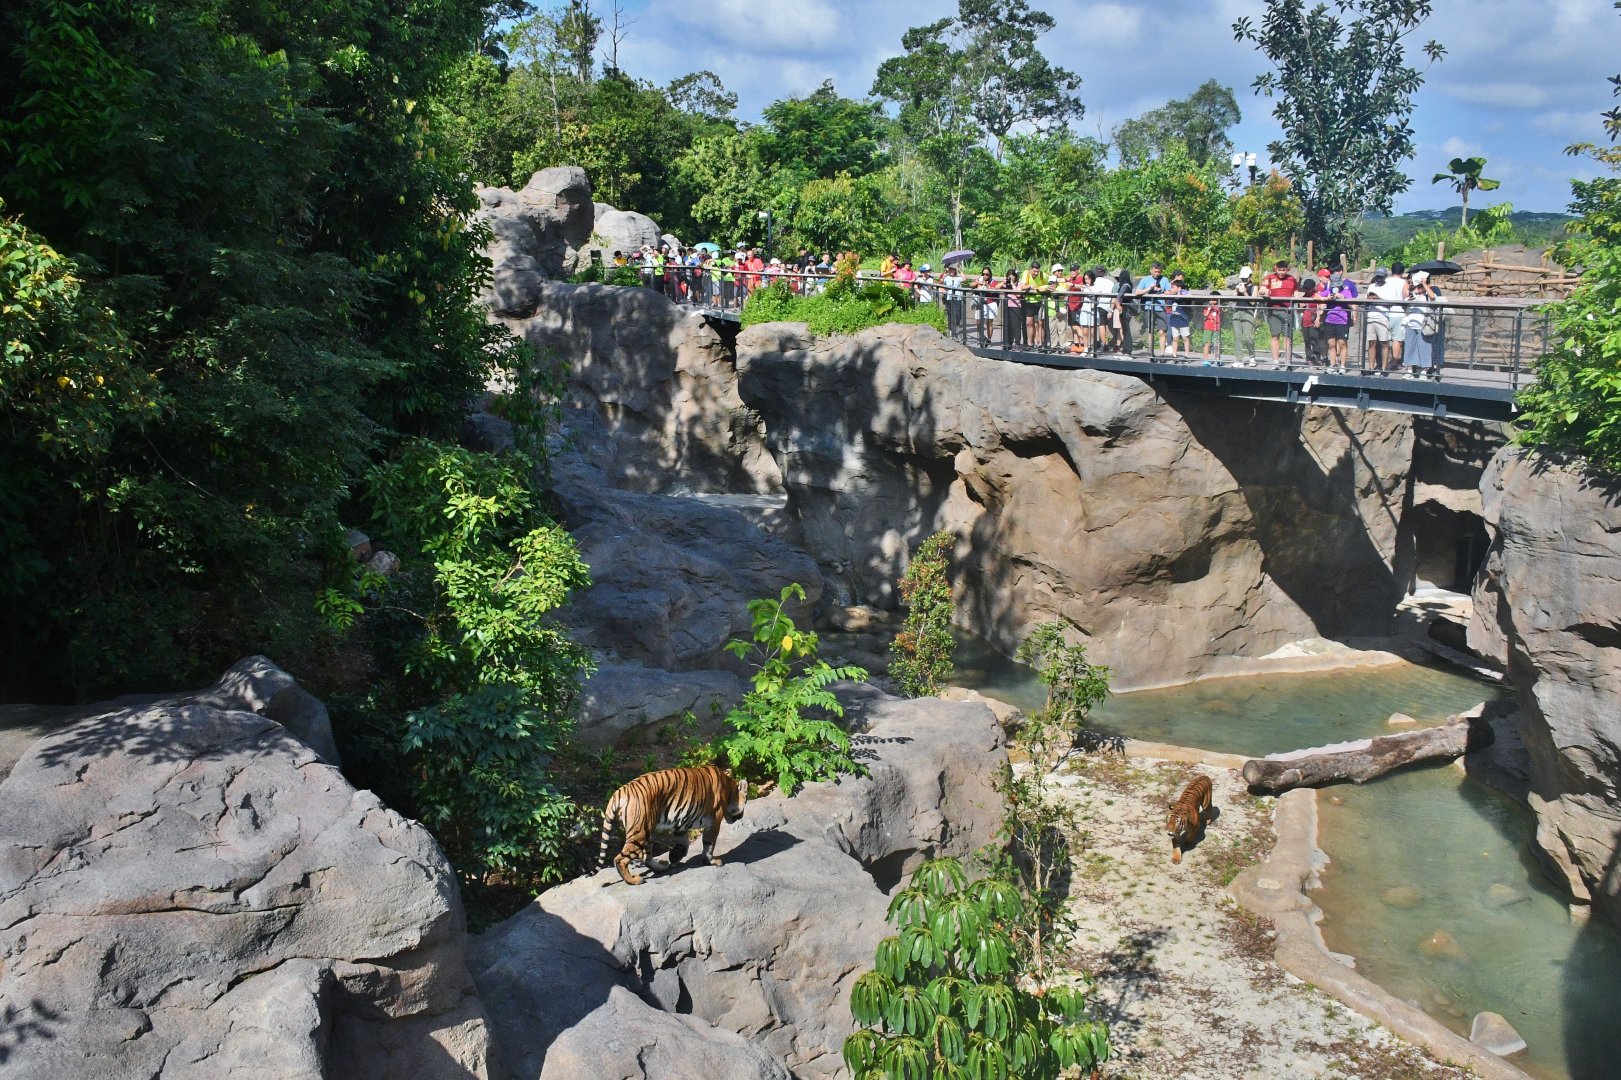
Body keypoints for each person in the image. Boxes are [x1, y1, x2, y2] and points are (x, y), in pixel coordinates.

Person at [1402, 270, 1443, 379]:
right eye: (1417, 286)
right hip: (1411, 325)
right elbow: (1404, 304)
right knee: (1409, 348)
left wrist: (1424, 284)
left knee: (1425, 348)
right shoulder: (1412, 295)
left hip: (1423, 326)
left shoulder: (1428, 296)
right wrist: (1409, 288)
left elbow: (1433, 298)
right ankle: (1409, 370)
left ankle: (1424, 371)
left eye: (1420, 286)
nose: (1418, 288)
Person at [1366, 266, 1407, 373]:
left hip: (1383, 317)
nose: (1379, 279)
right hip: (1371, 316)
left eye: (1381, 277)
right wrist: (1370, 298)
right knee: (1372, 342)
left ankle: (1384, 368)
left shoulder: (1389, 287)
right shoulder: (1371, 286)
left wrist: (1378, 298)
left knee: (1384, 343)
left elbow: (1390, 303)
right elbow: (1367, 300)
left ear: (1385, 277)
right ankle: (1371, 367)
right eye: (1377, 277)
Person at [1262, 259, 1298, 365]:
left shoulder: (1292, 279)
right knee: (1275, 335)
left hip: (1287, 311)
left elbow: (1295, 291)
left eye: (1283, 270)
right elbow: (1261, 289)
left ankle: (1287, 361)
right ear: (1276, 269)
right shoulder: (1269, 278)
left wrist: (1296, 296)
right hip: (1273, 310)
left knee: (1287, 336)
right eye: (1279, 270)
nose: (1281, 272)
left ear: (1287, 270)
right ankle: (1275, 361)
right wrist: (1266, 291)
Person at [1322, 266, 1357, 371]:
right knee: (1331, 344)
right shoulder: (1329, 290)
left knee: (1342, 343)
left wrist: (1343, 299)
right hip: (1329, 320)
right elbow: (1316, 296)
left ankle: (1342, 365)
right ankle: (1332, 364)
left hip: (1342, 320)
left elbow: (1353, 304)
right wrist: (1326, 298)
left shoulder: (1346, 291)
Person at [1136, 262, 1170, 354]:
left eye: (1159, 272)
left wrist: (1162, 292)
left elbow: (1170, 292)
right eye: (1155, 271)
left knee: (1162, 332)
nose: (1157, 274)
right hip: (1149, 307)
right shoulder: (1145, 279)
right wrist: (1148, 289)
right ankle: (1151, 353)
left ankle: (1162, 354)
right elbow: (1137, 292)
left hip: (1161, 308)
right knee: (1150, 331)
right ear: (1151, 270)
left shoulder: (1165, 280)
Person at [1230, 265, 1259, 364]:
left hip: (1248, 312)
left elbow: (1253, 302)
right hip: (1237, 312)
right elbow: (1234, 300)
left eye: (1245, 278)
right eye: (1242, 278)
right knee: (1237, 337)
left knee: (1248, 337)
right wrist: (1237, 292)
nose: (1244, 280)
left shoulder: (1254, 287)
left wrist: (1245, 293)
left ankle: (1252, 357)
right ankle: (1239, 359)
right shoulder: (1238, 286)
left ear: (1250, 277)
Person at [1298, 277, 1325, 365]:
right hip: (1305, 321)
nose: (1307, 291)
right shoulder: (1303, 297)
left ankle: (1317, 357)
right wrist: (1301, 305)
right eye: (1306, 289)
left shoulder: (1316, 296)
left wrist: (1318, 319)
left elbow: (1321, 307)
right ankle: (1308, 358)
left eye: (1309, 289)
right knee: (1307, 340)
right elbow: (1299, 309)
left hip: (1313, 320)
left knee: (1314, 339)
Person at [1166, 270, 1192, 358]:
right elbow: (1169, 304)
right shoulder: (1172, 297)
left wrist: (1179, 294)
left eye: (1173, 287)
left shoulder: (1184, 297)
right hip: (1174, 320)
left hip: (1183, 320)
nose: (1171, 289)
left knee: (1185, 338)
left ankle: (1187, 354)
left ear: (1179, 288)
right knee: (1175, 338)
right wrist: (1170, 295)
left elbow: (1188, 302)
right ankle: (1174, 354)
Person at [1112, 267, 1135, 353]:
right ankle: (1125, 349)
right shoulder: (1129, 284)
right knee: (1125, 330)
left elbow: (1120, 295)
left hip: (1125, 310)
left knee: (1126, 331)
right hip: (1126, 309)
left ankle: (1128, 350)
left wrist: (1118, 305)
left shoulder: (1125, 285)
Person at [942, 263, 966, 338]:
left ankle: (956, 329)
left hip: (957, 298)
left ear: (955, 270)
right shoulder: (947, 278)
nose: (951, 271)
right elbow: (942, 283)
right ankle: (950, 330)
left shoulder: (958, 278)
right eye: (950, 269)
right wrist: (945, 273)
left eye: (953, 269)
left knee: (957, 314)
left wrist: (960, 270)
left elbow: (965, 279)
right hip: (949, 298)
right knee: (949, 314)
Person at [975, 266, 997, 345]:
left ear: (990, 274)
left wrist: (987, 285)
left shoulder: (993, 282)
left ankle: (989, 339)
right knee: (978, 321)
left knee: (989, 322)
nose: (985, 276)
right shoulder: (980, 280)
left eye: (987, 274)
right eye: (983, 274)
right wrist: (977, 283)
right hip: (980, 303)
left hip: (990, 303)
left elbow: (994, 291)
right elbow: (971, 285)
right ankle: (982, 336)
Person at [1202, 292, 1223, 361]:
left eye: (1214, 299)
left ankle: (1217, 359)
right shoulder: (1207, 306)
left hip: (1216, 327)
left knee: (1216, 343)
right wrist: (1209, 308)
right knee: (1207, 342)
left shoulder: (1218, 307)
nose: (1212, 301)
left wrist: (1219, 306)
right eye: (1211, 299)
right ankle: (1206, 359)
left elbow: (1222, 312)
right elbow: (1205, 315)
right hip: (1208, 327)